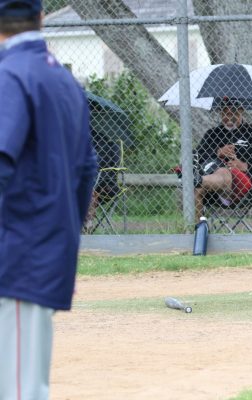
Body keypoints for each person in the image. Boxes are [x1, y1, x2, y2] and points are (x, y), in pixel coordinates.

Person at [0, 1, 98, 398]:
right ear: (41, 18)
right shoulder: (65, 81)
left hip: (16, 256)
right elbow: (87, 170)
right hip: (42, 252)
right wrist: (63, 244)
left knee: (19, 388)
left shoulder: (10, 75)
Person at [192, 97, 252, 218]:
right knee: (198, 190)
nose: (229, 118)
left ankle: (198, 180)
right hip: (213, 192)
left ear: (241, 111)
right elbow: (196, 156)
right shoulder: (212, 134)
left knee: (221, 172)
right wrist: (218, 152)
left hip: (243, 190)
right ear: (220, 113)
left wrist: (245, 166)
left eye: (234, 113)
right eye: (225, 114)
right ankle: (198, 229)